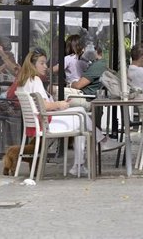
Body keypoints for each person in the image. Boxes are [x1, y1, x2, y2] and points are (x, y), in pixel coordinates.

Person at [17, 48, 118, 177]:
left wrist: (60, 105)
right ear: (32, 64)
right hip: (45, 122)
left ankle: (86, 157)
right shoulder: (35, 80)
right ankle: (93, 151)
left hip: (37, 122)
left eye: (45, 63)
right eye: (42, 63)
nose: (45, 66)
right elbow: (44, 105)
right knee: (80, 119)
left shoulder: (25, 81)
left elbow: (39, 106)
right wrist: (59, 104)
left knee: (80, 113)